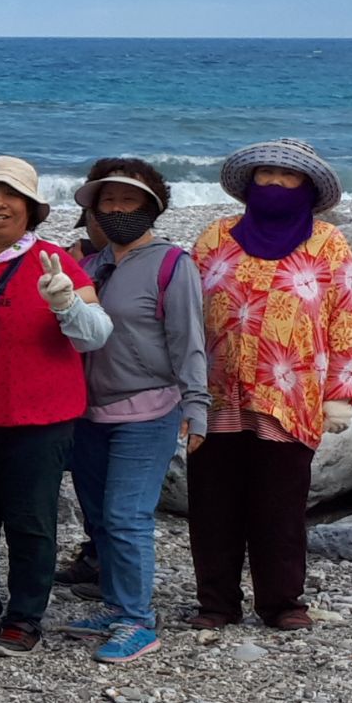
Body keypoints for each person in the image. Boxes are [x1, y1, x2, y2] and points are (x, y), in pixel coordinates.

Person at [0, 158, 113, 658]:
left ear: (30, 209)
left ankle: (25, 618)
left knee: (31, 522)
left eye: (11, 196)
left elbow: (96, 335)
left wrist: (65, 304)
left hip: (40, 419)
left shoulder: (55, 260)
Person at [189, 139, 352, 633]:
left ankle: (282, 602)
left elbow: (345, 319)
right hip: (217, 392)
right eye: (265, 174)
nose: (273, 184)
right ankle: (216, 603)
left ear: (307, 187)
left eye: (287, 176)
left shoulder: (328, 242)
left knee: (280, 506)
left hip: (291, 397)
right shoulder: (215, 238)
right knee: (212, 504)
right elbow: (183, 316)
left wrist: (341, 393)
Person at [60, 159, 207, 664]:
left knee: (127, 516)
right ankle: (117, 605)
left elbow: (189, 340)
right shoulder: (88, 265)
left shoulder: (173, 265)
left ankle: (139, 620)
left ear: (152, 208)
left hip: (149, 410)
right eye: (108, 202)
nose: (118, 210)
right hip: (87, 411)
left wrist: (198, 407)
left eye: (129, 202)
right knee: (100, 517)